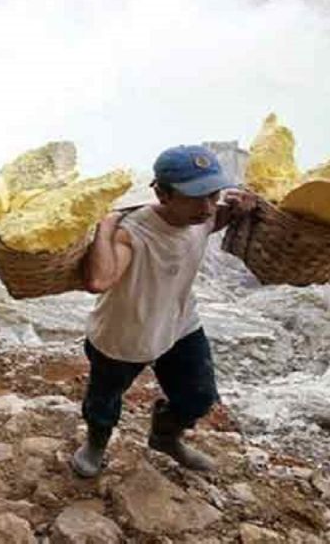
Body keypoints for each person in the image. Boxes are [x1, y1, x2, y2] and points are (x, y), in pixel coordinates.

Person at [71, 145, 255, 477]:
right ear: (163, 194)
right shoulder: (133, 233)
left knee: (198, 397)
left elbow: (213, 220)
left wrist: (240, 207)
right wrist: (107, 223)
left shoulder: (203, 216)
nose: (207, 206)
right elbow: (100, 279)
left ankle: (166, 436)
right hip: (125, 334)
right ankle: (96, 443)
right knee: (104, 402)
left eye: (213, 196)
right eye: (196, 197)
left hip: (179, 324)